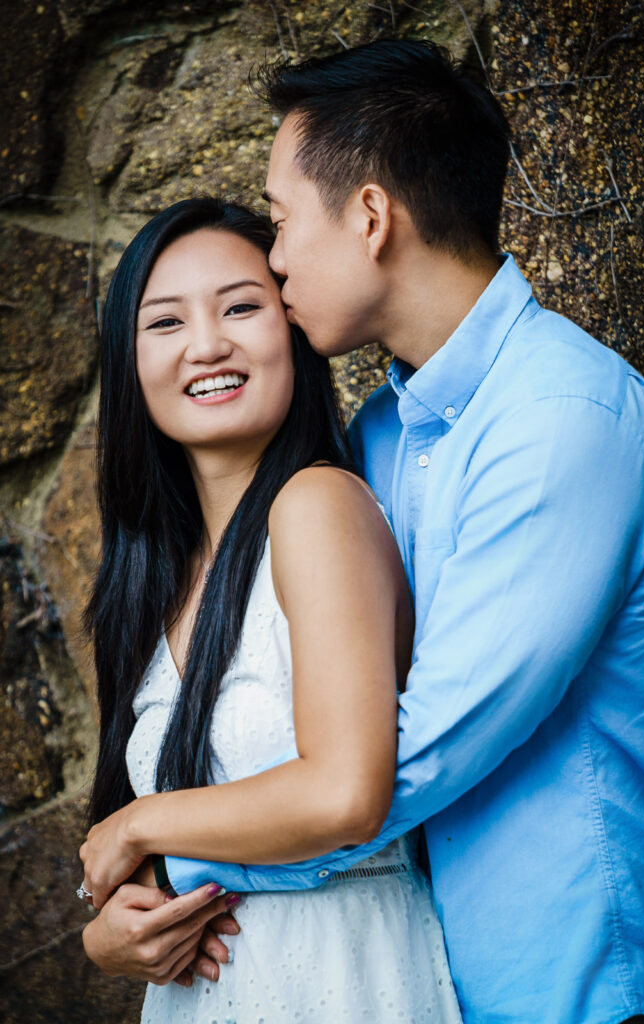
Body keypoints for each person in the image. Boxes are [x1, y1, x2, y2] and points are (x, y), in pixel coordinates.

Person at [101, 40, 644, 1024]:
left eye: (283, 221)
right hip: (437, 979)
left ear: (370, 217)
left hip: (582, 983)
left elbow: (394, 763)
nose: (275, 258)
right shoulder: (381, 436)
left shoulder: (562, 422)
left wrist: (165, 855)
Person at [79, 196, 462, 1023]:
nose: (207, 345)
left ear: (293, 330)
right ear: (129, 362)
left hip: (344, 975)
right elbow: (129, 866)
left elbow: (345, 794)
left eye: (241, 308)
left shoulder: (317, 506)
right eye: (165, 322)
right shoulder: (151, 580)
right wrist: (107, 934)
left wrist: (141, 824)